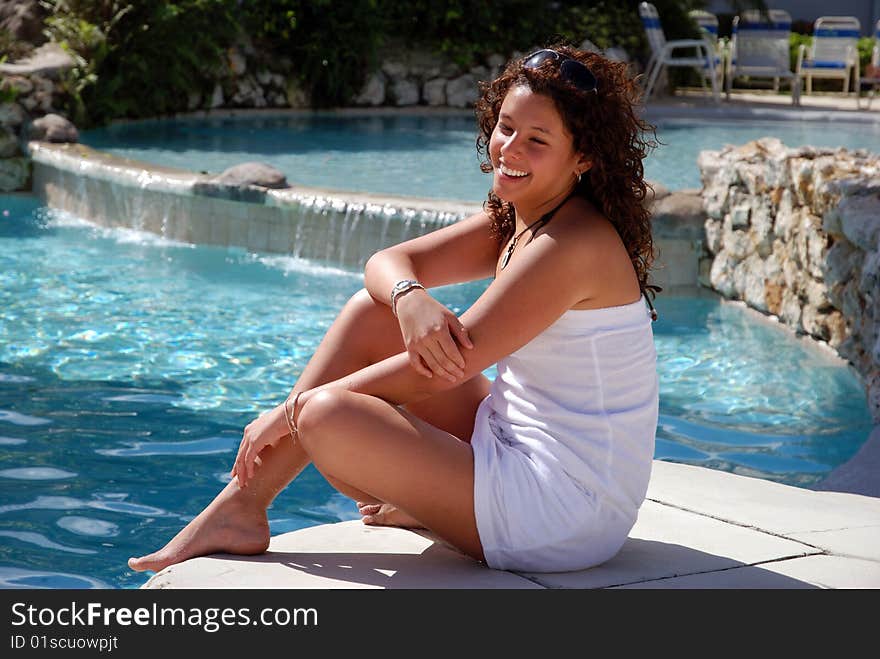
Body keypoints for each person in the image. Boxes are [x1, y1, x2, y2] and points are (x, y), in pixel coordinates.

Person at [128, 44, 660, 575]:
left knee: (325, 418)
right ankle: (242, 505)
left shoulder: (572, 244)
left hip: (566, 508)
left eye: (537, 139)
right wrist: (410, 297)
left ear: (584, 157)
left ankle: (406, 502)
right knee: (371, 312)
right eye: (506, 127)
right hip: (510, 440)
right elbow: (388, 261)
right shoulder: (524, 217)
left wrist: (287, 414)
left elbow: (440, 369)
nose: (509, 149)